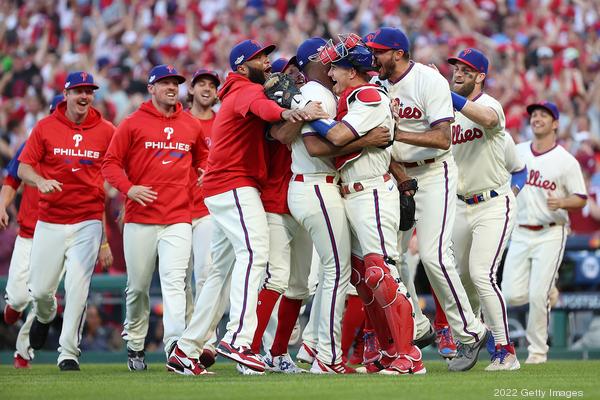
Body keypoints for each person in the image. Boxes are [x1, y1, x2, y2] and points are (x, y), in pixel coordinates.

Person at [166, 40, 326, 375]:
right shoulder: (243, 89)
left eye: (267, 56)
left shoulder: (242, 88)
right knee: (254, 253)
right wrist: (292, 112)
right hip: (233, 183)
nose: (267, 62)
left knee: (220, 274)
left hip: (229, 185)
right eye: (260, 58)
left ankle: (187, 347)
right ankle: (239, 339)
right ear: (242, 66)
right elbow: (266, 111)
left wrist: (285, 110)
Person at [366, 27, 490, 372]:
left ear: (398, 53)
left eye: (379, 51)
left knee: (434, 256)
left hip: (435, 172)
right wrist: (398, 171)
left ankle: (470, 332)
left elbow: (442, 138)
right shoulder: (378, 85)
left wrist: (395, 132)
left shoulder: (428, 81)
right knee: (389, 258)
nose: (373, 57)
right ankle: (419, 327)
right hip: (398, 174)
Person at [308, 35, 425, 375]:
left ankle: (409, 356)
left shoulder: (367, 94)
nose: (330, 72)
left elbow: (338, 137)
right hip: (354, 191)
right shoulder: (354, 95)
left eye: (336, 67)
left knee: (382, 272)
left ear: (352, 69)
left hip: (372, 190)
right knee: (364, 277)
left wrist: (305, 115)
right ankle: (389, 351)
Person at [102, 64, 208, 372]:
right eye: (164, 83)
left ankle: (174, 347)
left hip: (178, 216)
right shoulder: (133, 123)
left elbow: (203, 157)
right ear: (151, 88)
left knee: (175, 283)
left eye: (175, 83)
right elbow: (110, 164)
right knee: (137, 287)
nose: (171, 87)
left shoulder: (190, 124)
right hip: (140, 218)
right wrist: (129, 188)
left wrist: (204, 171)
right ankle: (135, 343)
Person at [18, 72, 115, 371]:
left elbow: (118, 165)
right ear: (66, 93)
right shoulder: (45, 126)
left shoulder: (107, 130)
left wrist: (115, 187)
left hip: (87, 219)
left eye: (89, 91)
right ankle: (46, 315)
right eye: (78, 91)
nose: (84, 96)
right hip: (50, 220)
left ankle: (68, 352)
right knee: (41, 290)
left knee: (78, 286)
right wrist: (40, 180)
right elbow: (23, 168)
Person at [447, 48, 525, 371]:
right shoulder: (448, 113)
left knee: (482, 274)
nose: (459, 72)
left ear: (480, 76)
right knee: (462, 278)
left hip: (493, 202)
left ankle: (506, 351)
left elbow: (489, 120)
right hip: (461, 205)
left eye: (467, 69)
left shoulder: (490, 105)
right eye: (456, 67)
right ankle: (474, 337)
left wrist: (447, 96)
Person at [502, 101, 587, 364]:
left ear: (555, 123)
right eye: (534, 115)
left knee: (537, 296)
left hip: (551, 231)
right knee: (509, 295)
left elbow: (581, 198)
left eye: (543, 115)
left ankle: (537, 351)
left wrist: (562, 202)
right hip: (520, 231)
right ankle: (548, 286)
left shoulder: (566, 160)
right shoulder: (517, 152)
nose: (537, 118)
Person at [0, 95, 63, 369]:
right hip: (29, 230)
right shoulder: (31, 144)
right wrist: (2, 205)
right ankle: (13, 304)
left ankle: (23, 353)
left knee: (42, 295)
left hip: (60, 231)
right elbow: (12, 179)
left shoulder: (80, 147)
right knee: (18, 297)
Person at [184, 67, 222, 366]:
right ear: (192, 90)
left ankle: (207, 341)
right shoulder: (178, 121)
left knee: (207, 274)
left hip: (210, 208)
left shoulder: (223, 121)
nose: (207, 88)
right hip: (176, 209)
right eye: (201, 84)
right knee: (179, 281)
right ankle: (184, 341)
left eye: (211, 84)